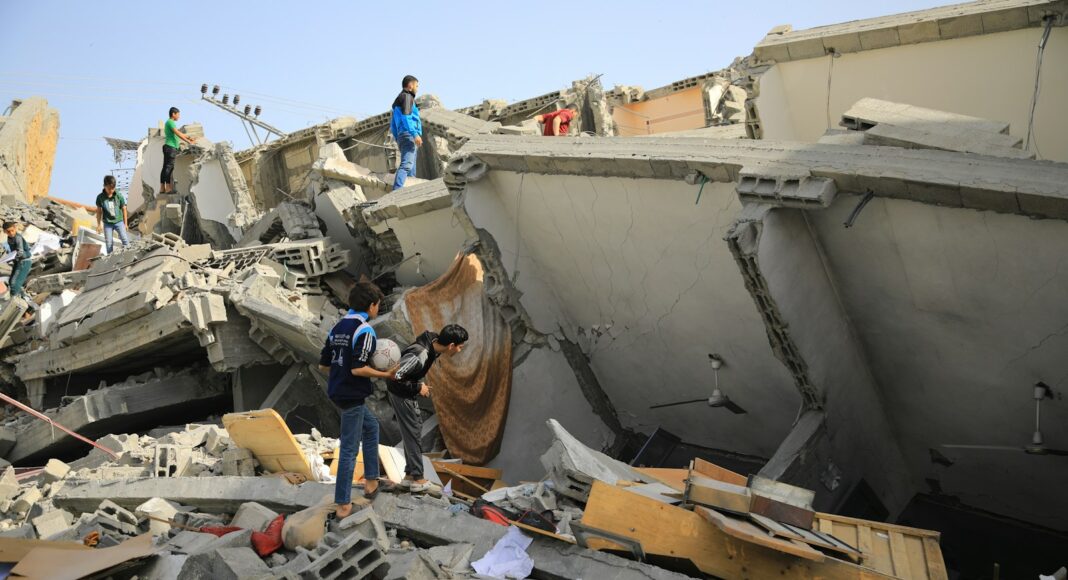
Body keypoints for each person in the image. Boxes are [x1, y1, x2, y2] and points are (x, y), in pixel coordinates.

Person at [318, 281, 398, 518]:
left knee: (371, 427)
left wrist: (341, 371)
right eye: (378, 306)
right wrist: (385, 374)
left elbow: (324, 365)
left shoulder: (337, 327)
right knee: (350, 449)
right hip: (352, 395)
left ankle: (372, 481)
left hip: (337, 390)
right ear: (372, 306)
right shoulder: (364, 331)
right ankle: (343, 505)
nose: (377, 310)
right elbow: (358, 369)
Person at [386, 324, 469, 493]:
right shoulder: (421, 353)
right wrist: (418, 388)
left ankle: (410, 477)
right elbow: (395, 377)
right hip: (402, 396)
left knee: (412, 432)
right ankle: (418, 479)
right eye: (460, 347)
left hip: (403, 393)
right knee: (414, 433)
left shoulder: (433, 344)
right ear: (451, 345)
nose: (460, 350)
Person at [390, 75, 423, 191]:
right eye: (417, 86)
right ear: (410, 86)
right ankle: (397, 190)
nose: (417, 89)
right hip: (409, 135)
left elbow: (393, 125)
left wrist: (398, 137)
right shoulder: (407, 97)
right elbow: (406, 117)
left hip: (402, 135)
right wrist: (415, 134)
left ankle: (409, 191)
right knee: (407, 164)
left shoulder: (398, 101)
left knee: (411, 169)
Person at [160, 107, 197, 195]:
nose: (179, 117)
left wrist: (189, 137)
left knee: (165, 167)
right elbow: (178, 134)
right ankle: (168, 188)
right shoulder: (170, 122)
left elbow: (179, 134)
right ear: (173, 114)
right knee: (169, 167)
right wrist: (189, 142)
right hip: (171, 147)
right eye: (178, 114)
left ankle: (162, 188)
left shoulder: (169, 123)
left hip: (168, 147)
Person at [95, 175, 129, 254]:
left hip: (119, 221)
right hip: (107, 224)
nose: (111, 190)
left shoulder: (118, 196)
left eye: (113, 188)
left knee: (124, 239)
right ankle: (110, 259)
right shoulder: (100, 198)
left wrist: (126, 224)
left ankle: (129, 254)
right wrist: (98, 225)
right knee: (109, 243)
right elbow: (99, 211)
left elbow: (124, 209)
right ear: (104, 186)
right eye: (109, 188)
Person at [2, 221, 31, 299]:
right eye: (8, 231)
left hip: (24, 262)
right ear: (5, 232)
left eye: (12, 230)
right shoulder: (9, 238)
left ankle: (14, 301)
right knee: (11, 281)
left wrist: (12, 257)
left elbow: (20, 252)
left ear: (15, 229)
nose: (11, 233)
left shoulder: (18, 238)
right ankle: (22, 297)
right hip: (18, 261)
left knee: (14, 284)